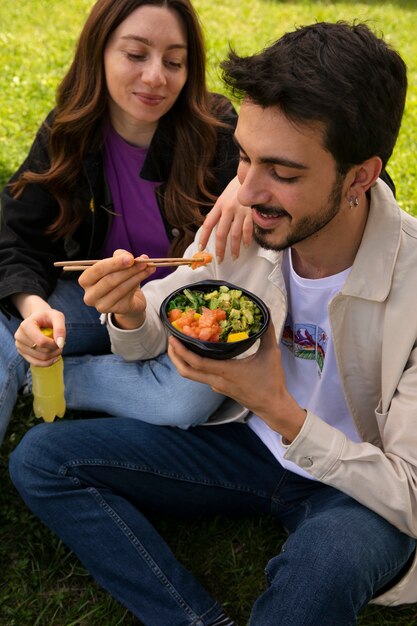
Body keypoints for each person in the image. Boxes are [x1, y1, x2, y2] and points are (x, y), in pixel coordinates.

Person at [9, 20, 417, 626]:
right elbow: (155, 324)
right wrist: (129, 308)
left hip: (354, 488)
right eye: (245, 158)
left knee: (319, 574)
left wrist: (279, 407)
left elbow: (408, 494)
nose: (246, 192)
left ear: (361, 176)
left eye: (283, 171)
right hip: (244, 447)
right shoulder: (245, 223)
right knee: (41, 457)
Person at [0, 0, 247, 444]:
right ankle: (41, 360)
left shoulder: (220, 129)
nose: (157, 77)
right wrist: (34, 311)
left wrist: (247, 179)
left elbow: (331, 175)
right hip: (97, 299)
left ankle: (65, 377)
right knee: (10, 332)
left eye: (175, 61)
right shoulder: (69, 131)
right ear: (99, 52)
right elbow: (19, 233)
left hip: (190, 309)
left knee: (182, 400)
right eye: (136, 55)